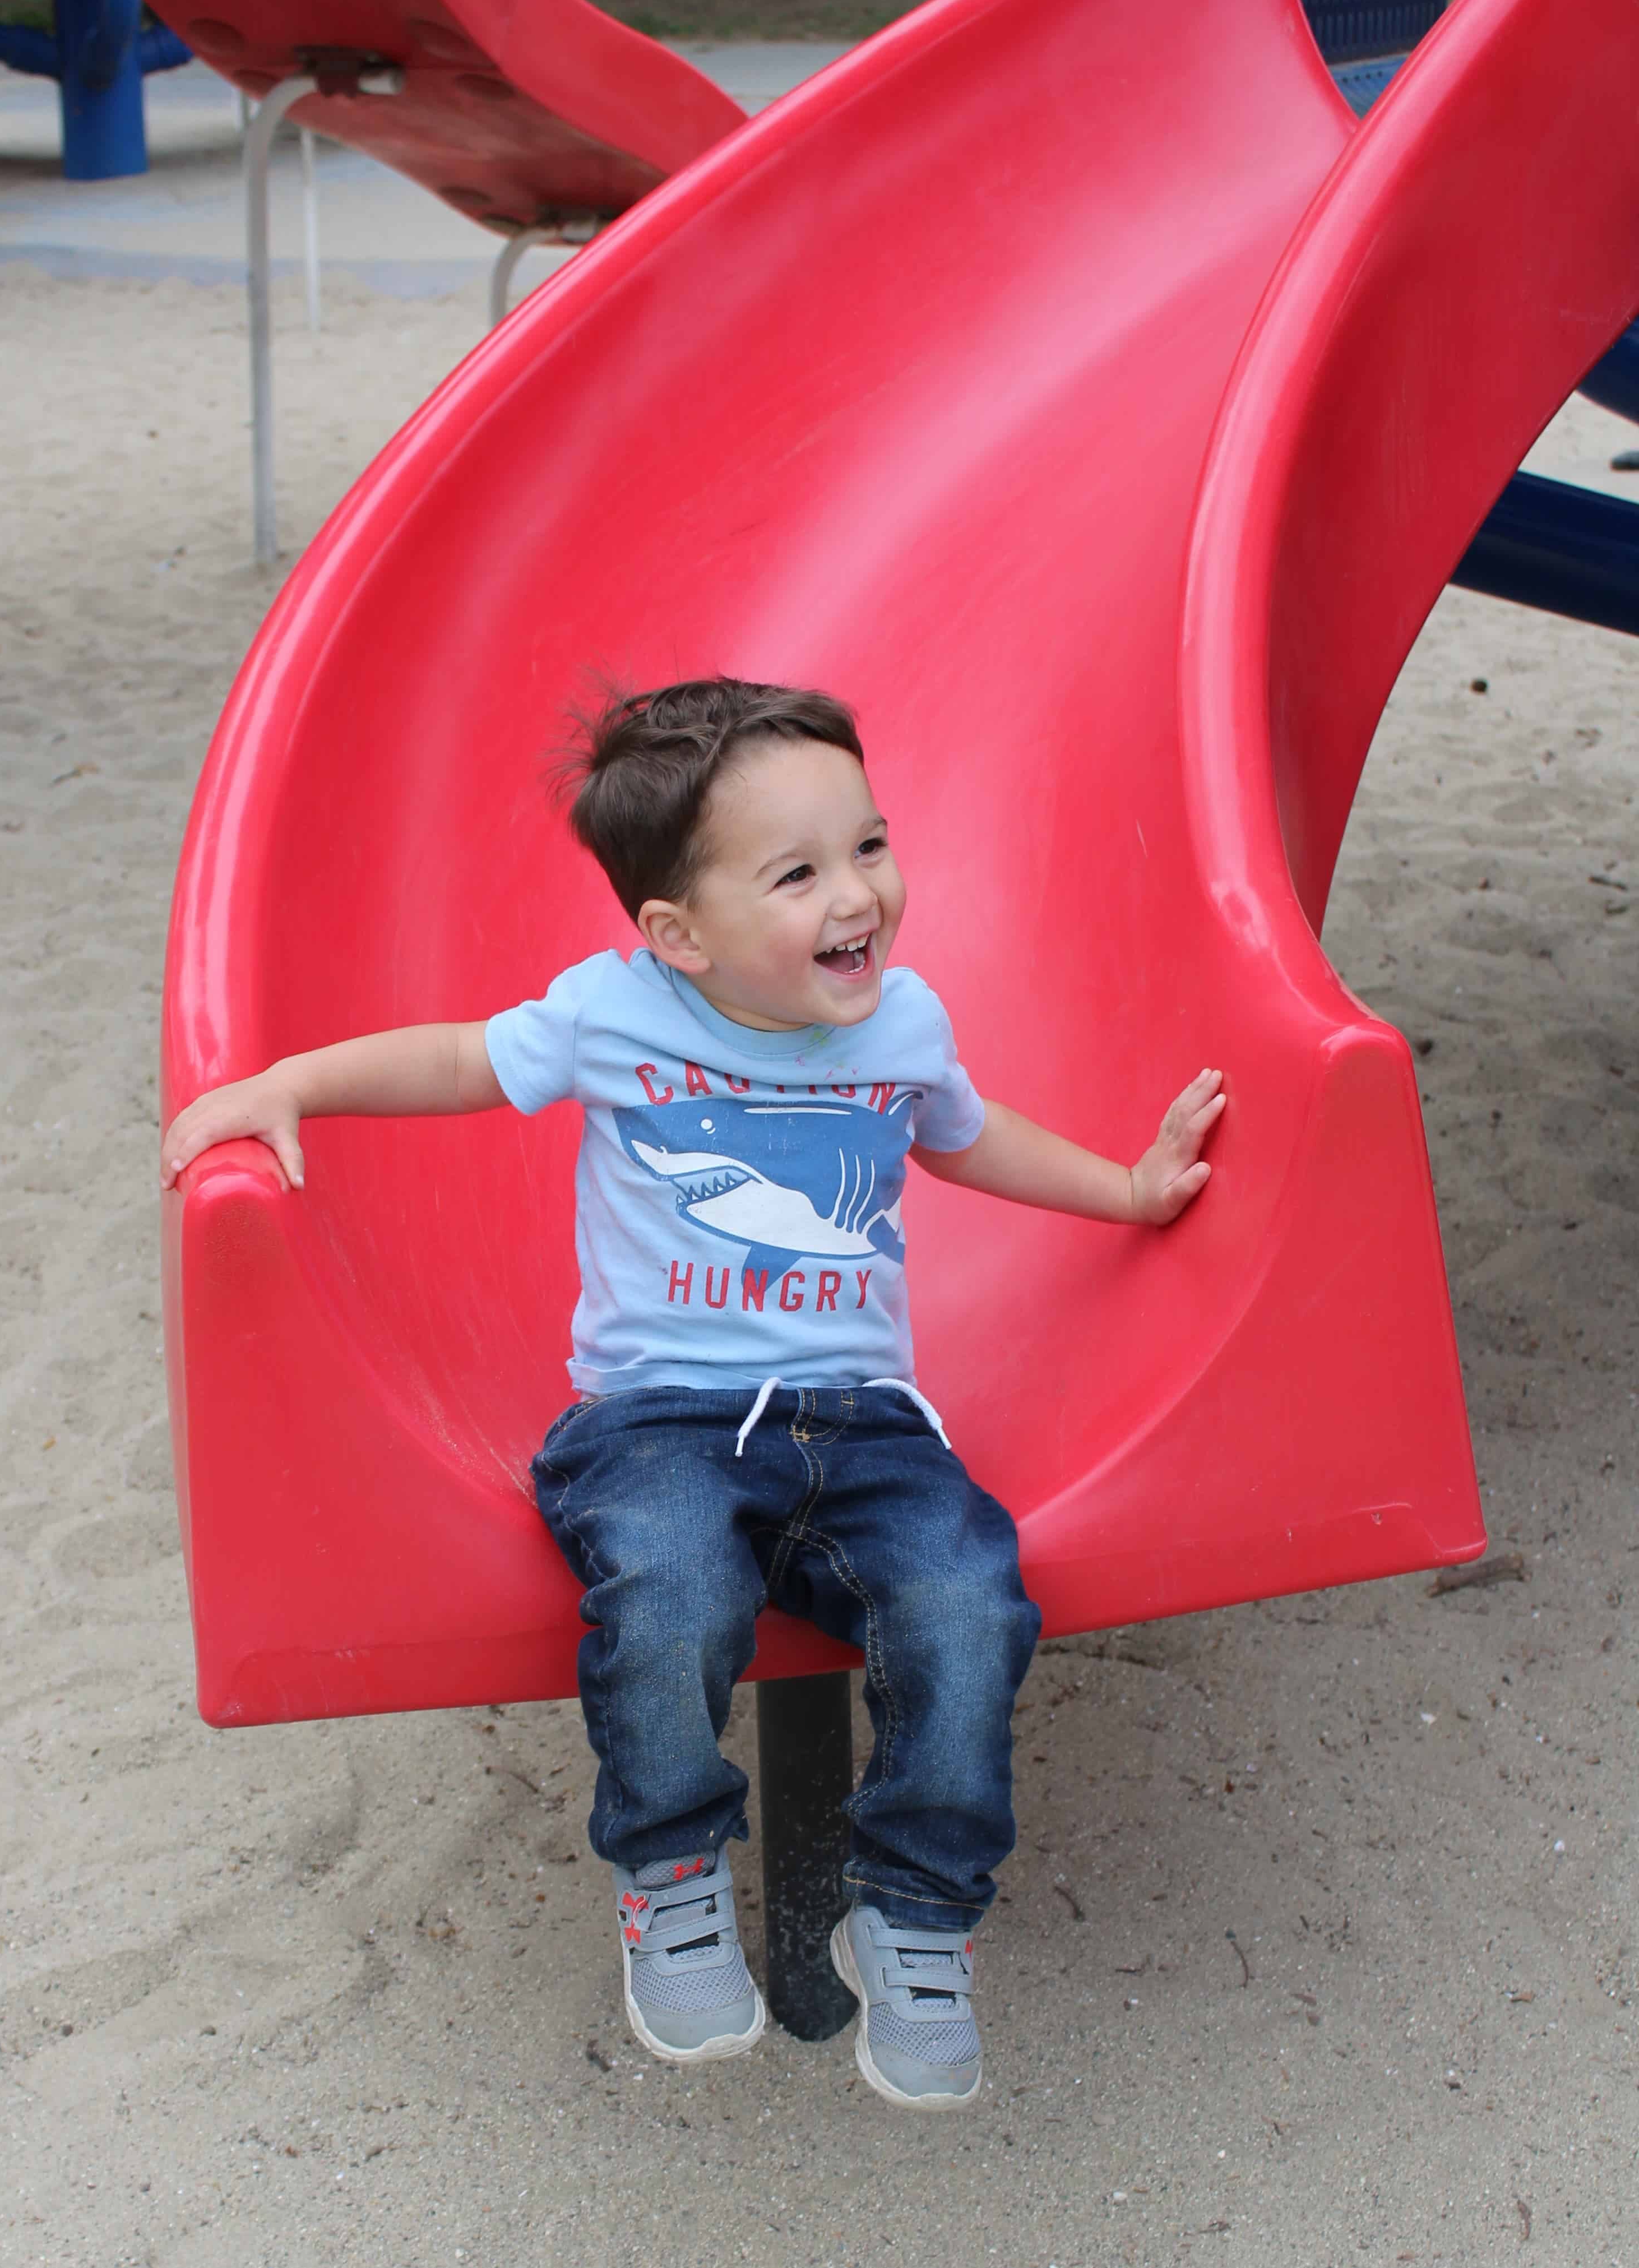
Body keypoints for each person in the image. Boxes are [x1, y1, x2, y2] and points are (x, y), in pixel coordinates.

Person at [161, 680, 1223, 2109]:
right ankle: (669, 1870)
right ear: (678, 932)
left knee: (971, 1594)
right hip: (656, 1416)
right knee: (670, 1591)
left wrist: (1128, 1190)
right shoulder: (615, 1015)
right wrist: (289, 1082)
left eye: (871, 844)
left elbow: (967, 1141)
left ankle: (914, 1908)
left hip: (861, 1419)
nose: (860, 894)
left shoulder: (900, 1027)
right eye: (798, 874)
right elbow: (459, 1061)